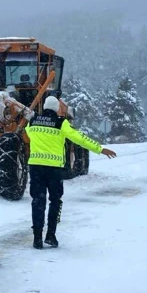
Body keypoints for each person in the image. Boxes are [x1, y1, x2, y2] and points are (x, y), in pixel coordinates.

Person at [26, 96, 117, 249]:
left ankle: (37, 238)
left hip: (35, 167)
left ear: (44, 107)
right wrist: (100, 149)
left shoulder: (32, 122)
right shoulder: (61, 123)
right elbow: (79, 138)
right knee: (55, 201)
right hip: (54, 169)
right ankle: (51, 235)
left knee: (37, 201)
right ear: (56, 109)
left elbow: (28, 134)